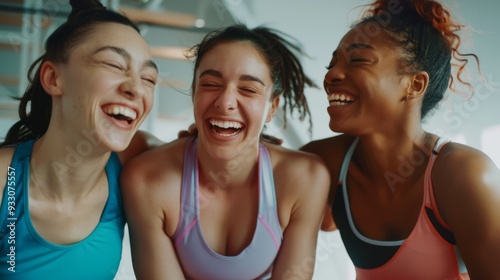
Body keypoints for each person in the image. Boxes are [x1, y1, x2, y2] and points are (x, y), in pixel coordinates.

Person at [301, 0, 500, 279]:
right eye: (331, 64)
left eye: (358, 60)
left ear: (414, 84)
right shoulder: (326, 161)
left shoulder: (463, 174)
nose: (331, 75)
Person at [121, 25, 330, 280]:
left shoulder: (305, 178)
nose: (225, 101)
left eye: (248, 89)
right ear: (194, 93)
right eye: (210, 84)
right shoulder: (147, 179)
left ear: (272, 107)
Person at [0, 0, 159, 279]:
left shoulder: (136, 157)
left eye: (148, 78)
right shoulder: (5, 184)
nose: (136, 88)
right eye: (113, 63)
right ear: (53, 78)